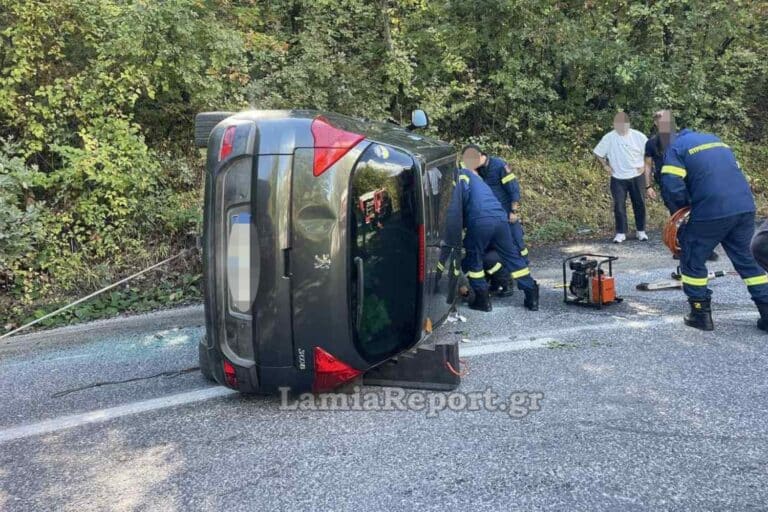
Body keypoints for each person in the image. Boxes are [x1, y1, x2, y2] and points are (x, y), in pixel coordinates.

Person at [658, 110, 768, 331]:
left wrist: (682, 211)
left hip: (711, 209)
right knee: (748, 261)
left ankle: (700, 315)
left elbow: (671, 185)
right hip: (744, 207)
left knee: (692, 256)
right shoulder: (716, 141)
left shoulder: (675, 148)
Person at [445, 167, 539, 312]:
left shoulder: (457, 178)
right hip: (500, 218)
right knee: (512, 257)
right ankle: (532, 295)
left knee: (473, 260)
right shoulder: (477, 180)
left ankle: (483, 300)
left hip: (480, 221)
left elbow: (456, 209)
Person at [646, 110, 719, 261]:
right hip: (669, 187)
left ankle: (705, 249)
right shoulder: (652, 143)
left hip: (690, 184)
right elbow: (647, 165)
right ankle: (685, 249)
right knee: (678, 217)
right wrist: (648, 186)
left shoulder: (683, 139)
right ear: (656, 123)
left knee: (698, 215)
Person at [461, 145, 529, 262]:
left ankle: (523, 267)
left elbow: (513, 188)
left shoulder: (499, 165)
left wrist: (513, 211)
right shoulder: (476, 170)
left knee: (517, 243)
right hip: (490, 215)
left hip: (506, 214)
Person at [593, 112, 649, 243]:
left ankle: (641, 231)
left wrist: (644, 165)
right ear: (614, 125)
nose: (621, 129)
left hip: (637, 175)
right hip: (617, 177)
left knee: (639, 203)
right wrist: (605, 166)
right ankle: (621, 232)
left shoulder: (639, 136)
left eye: (623, 126)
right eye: (618, 126)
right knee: (619, 205)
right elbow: (598, 153)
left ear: (628, 125)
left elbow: (649, 153)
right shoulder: (609, 137)